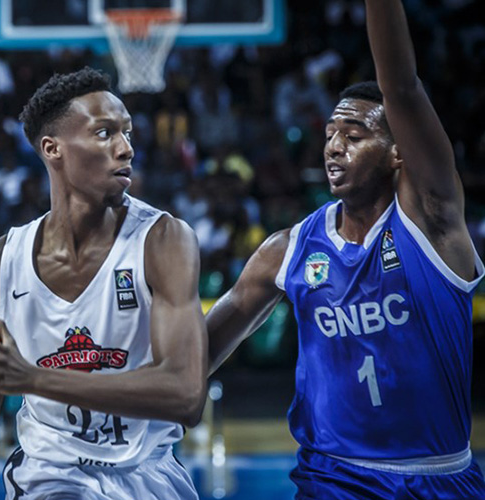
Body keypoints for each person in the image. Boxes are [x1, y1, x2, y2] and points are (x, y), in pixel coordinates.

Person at [0, 67, 208, 499]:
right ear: (53, 149)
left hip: (150, 477)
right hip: (50, 479)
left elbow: (186, 395)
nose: (126, 149)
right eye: (105, 133)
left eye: (127, 133)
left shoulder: (163, 239)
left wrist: (32, 380)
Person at [205, 1, 485, 498]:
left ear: (399, 152)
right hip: (331, 478)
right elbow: (199, 352)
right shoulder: (287, 249)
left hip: (439, 477)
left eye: (354, 136)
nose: (334, 146)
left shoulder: (433, 221)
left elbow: (400, 86)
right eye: (330, 135)